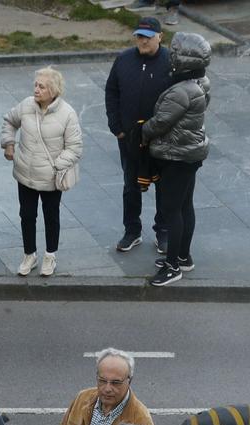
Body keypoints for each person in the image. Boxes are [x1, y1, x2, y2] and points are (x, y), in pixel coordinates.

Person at [140, 31, 209, 287]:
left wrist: (141, 132)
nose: (172, 58)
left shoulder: (181, 91)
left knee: (171, 210)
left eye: (176, 54)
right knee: (184, 206)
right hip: (190, 154)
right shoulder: (201, 84)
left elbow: (159, 123)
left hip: (176, 156)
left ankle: (172, 267)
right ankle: (183, 256)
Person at [1, 66, 82, 279]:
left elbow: (75, 148)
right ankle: (29, 255)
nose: (36, 89)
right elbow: (9, 121)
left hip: (50, 178)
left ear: (53, 90)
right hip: (25, 173)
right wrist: (8, 144)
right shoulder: (26, 105)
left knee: (50, 216)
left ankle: (50, 255)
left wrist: (56, 166)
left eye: (42, 86)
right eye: (36, 85)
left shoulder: (68, 114)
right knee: (27, 215)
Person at [105, 16, 172, 254]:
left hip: (161, 138)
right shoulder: (123, 60)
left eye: (147, 37)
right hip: (130, 138)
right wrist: (117, 128)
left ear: (160, 37)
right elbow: (111, 92)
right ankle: (131, 231)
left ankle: (163, 231)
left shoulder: (171, 62)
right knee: (130, 185)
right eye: (139, 36)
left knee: (163, 186)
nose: (142, 41)